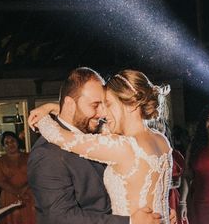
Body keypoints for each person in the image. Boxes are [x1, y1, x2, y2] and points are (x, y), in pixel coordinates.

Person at [29, 68, 172, 224]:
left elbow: (59, 134)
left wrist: (44, 116)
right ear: (70, 104)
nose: (103, 113)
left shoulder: (115, 143)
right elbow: (59, 218)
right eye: (96, 104)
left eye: (107, 104)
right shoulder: (47, 154)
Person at [0, 131, 36, 224]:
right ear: (3, 146)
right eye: (6, 143)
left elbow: (36, 175)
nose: (10, 144)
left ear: (17, 141)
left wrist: (24, 189)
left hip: (29, 194)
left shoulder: (29, 156)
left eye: (12, 141)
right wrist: (18, 192)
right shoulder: (0, 161)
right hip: (10, 197)